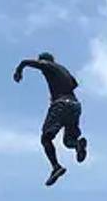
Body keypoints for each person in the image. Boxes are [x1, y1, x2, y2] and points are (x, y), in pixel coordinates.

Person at [13, 52, 88, 186]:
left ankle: (56, 167)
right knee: (68, 141)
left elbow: (29, 62)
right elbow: (74, 84)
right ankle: (77, 145)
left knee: (46, 138)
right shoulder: (64, 70)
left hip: (61, 105)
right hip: (75, 105)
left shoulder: (49, 66)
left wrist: (20, 69)